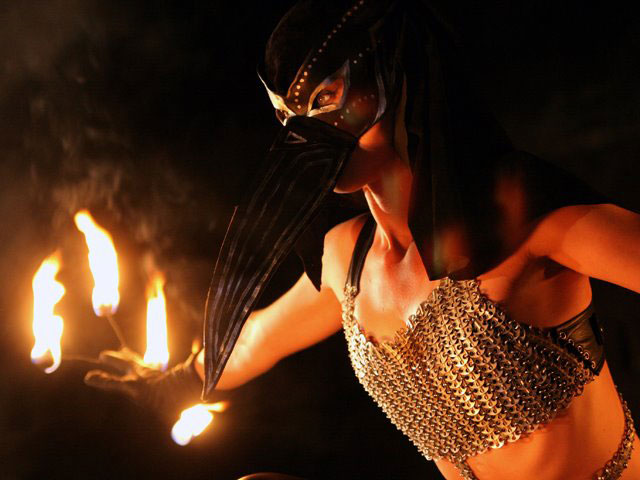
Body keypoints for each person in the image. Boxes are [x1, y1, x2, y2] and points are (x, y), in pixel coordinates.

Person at [85, 1, 640, 478]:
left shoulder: (519, 216)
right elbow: (253, 341)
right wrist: (174, 381)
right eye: (288, 115)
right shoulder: (346, 259)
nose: (307, 133)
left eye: (326, 97)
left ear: (395, 78)